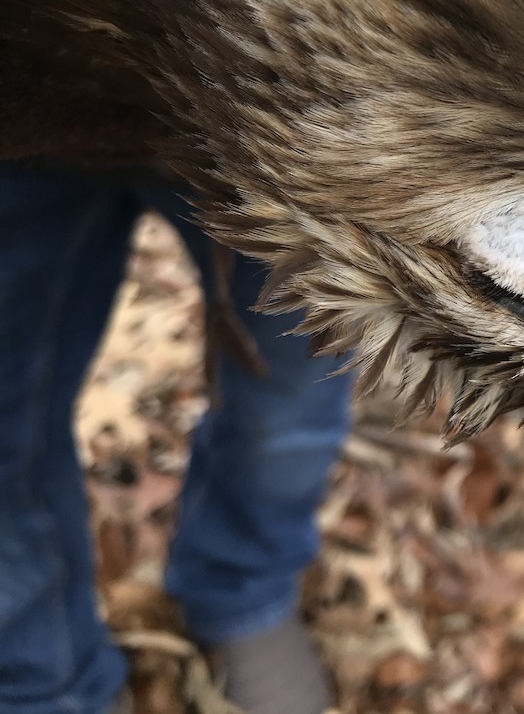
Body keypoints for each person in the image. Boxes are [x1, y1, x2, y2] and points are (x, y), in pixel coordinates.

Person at [0, 161, 356, 714]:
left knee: (287, 394)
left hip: (294, 118)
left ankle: (243, 586)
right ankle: (40, 680)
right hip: (21, 117)